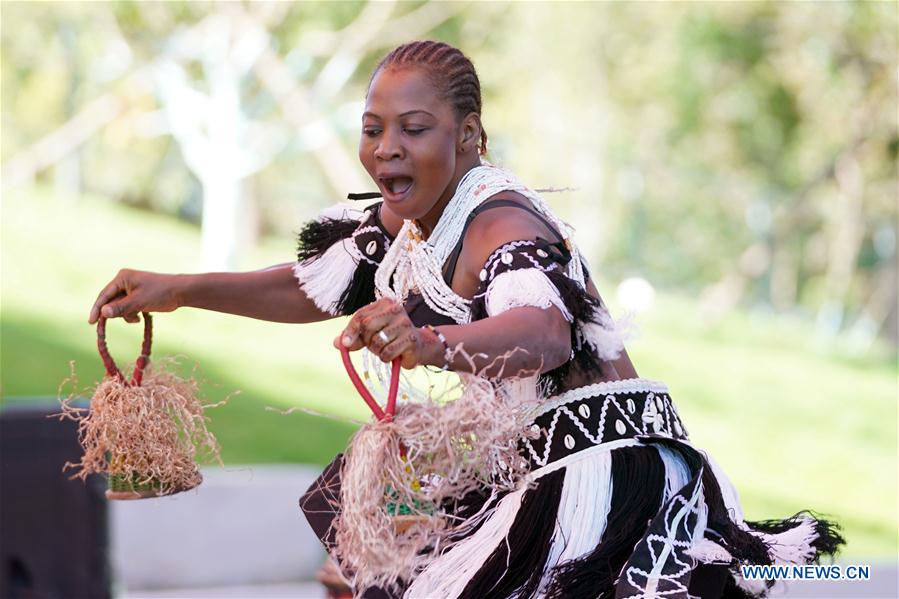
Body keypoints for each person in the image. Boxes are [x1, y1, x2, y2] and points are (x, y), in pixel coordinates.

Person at [90, 40, 842, 599]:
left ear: (468, 135)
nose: (386, 147)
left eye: (413, 128)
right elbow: (308, 287)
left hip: (602, 470)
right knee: (356, 561)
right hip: (522, 465)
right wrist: (179, 287)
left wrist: (427, 342)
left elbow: (541, 331)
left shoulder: (502, 223)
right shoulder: (405, 221)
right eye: (373, 127)